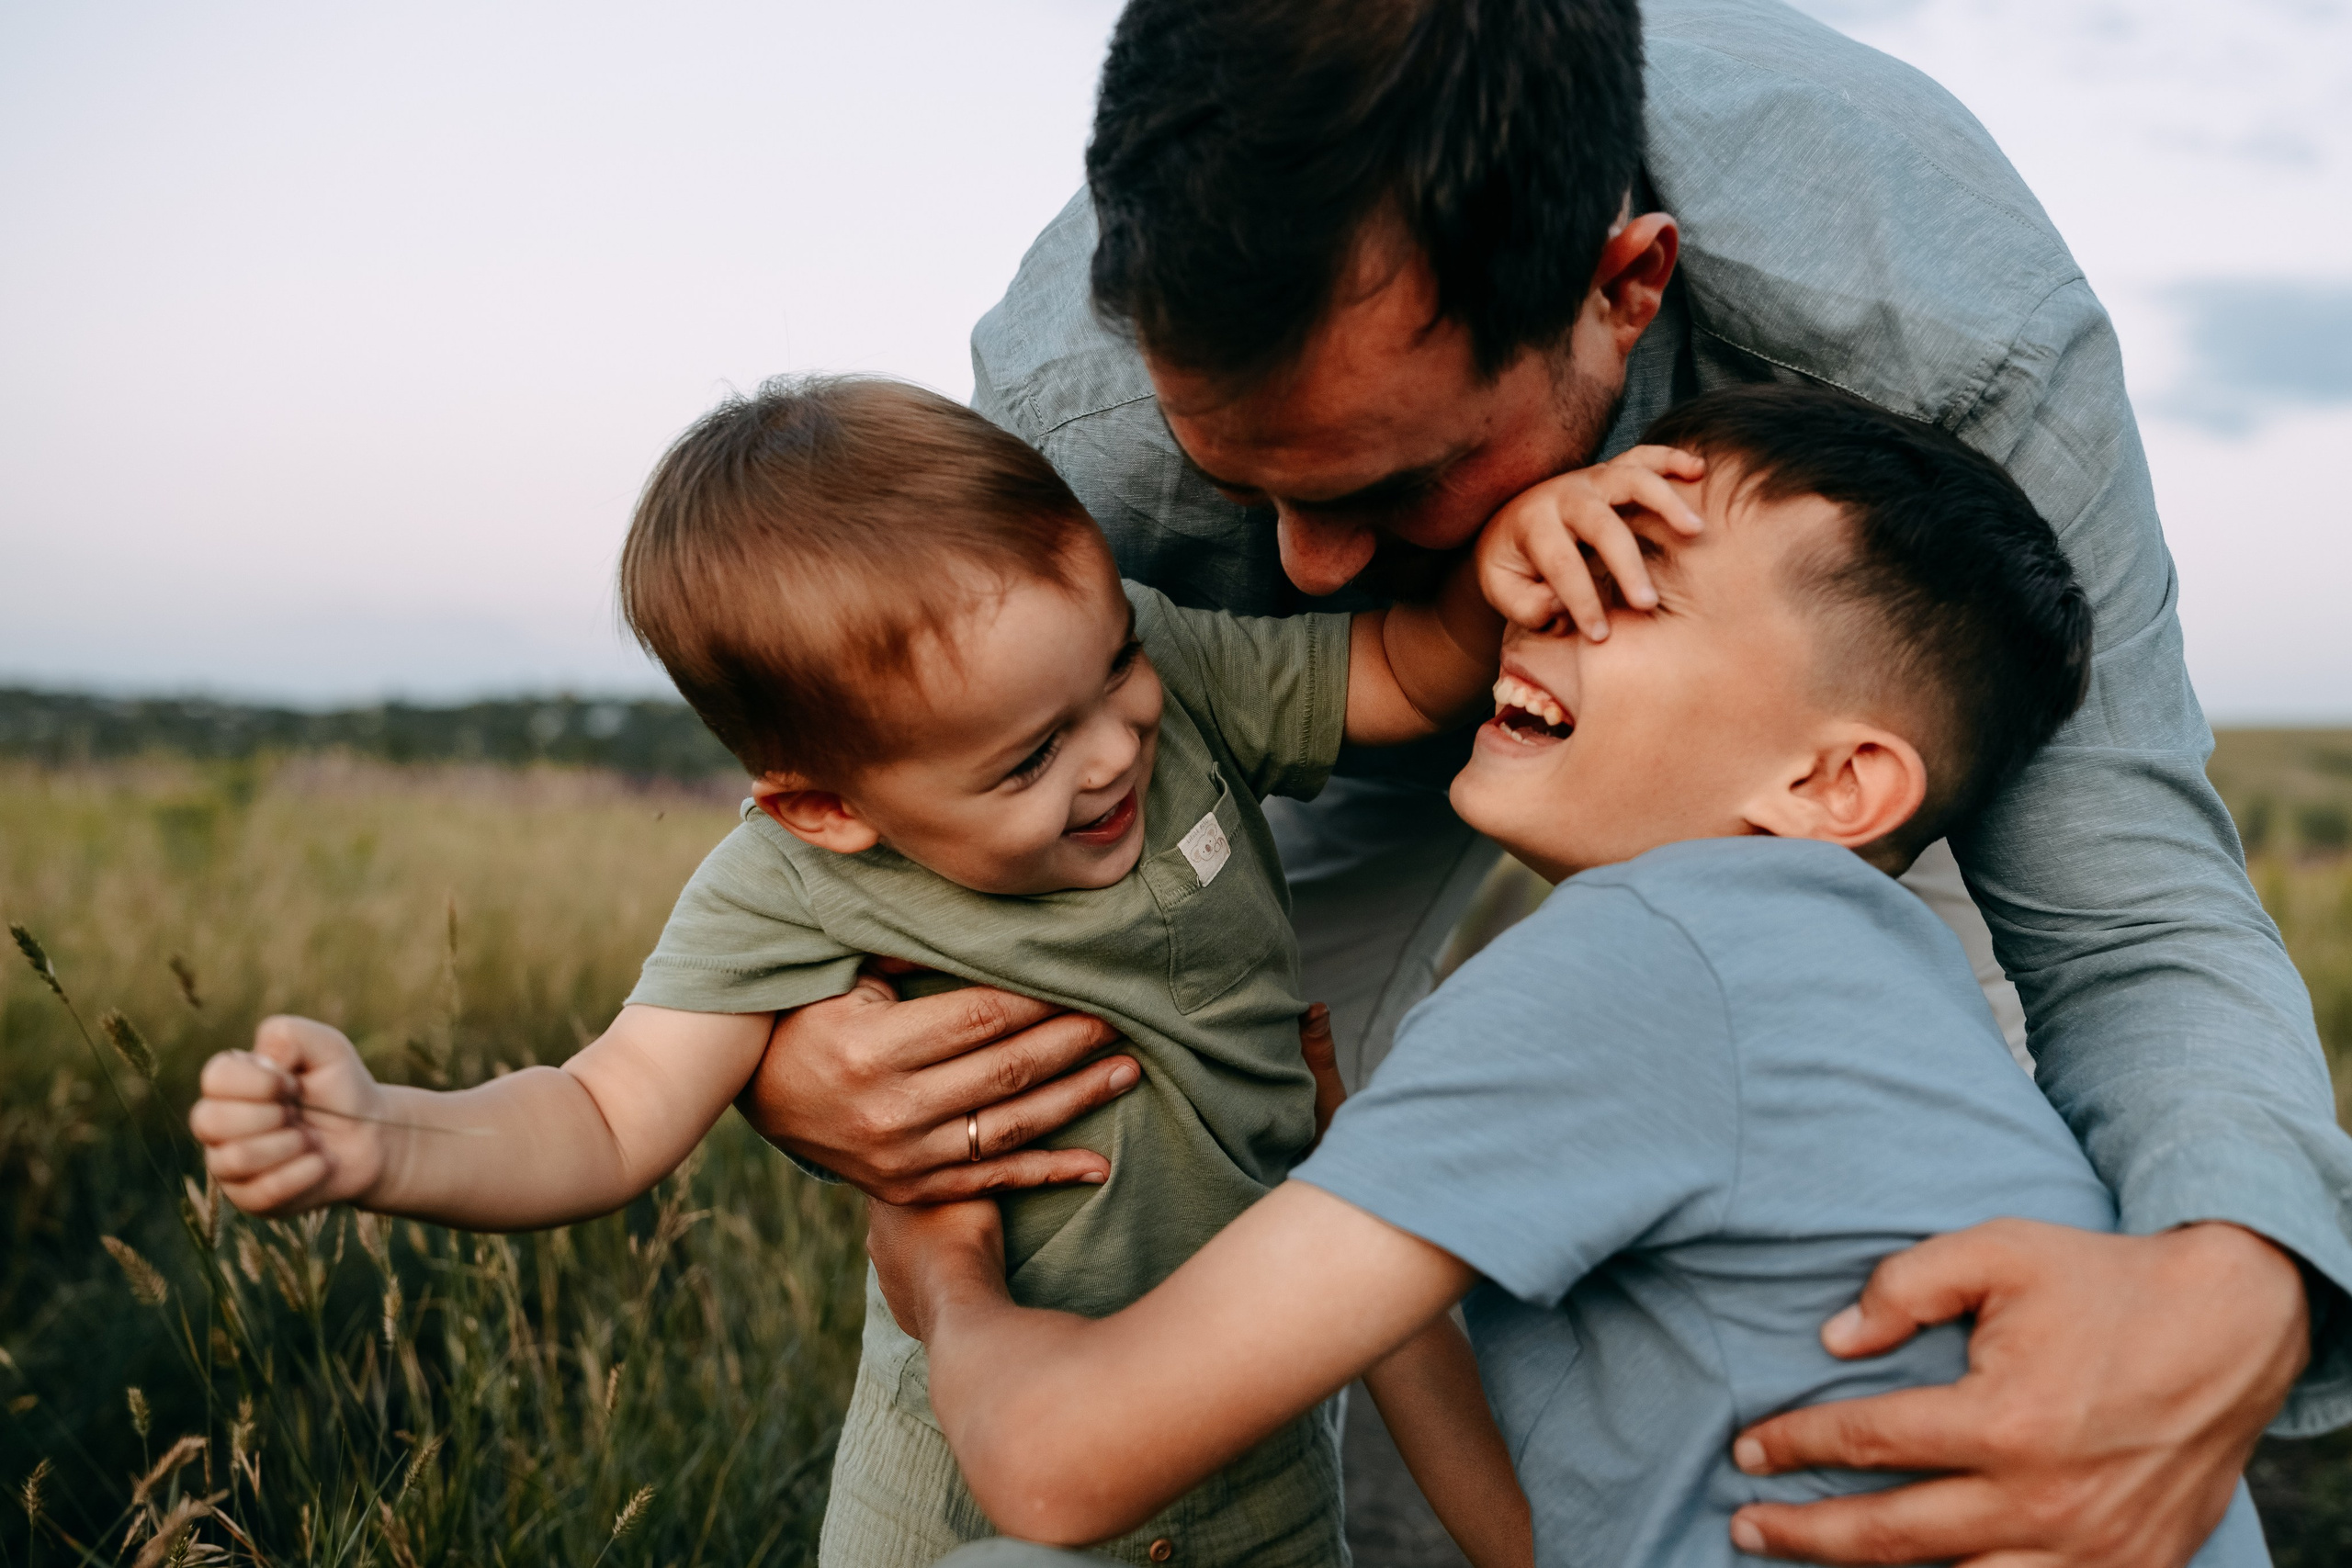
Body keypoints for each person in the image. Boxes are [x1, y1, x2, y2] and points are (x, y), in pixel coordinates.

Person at [735, 2, 2352, 1561]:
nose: (1316, 559)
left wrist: (2236, 1283)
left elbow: (2130, 923)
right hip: (1271, 698)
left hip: (1785, 707)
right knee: (1069, 1125)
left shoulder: (1952, 339)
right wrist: (782, 1041)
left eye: (1398, 477)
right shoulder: (1088, 413)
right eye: (1252, 483)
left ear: (1622, 288)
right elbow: (918, 789)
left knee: (1915, 1184)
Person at [184, 375, 1651, 1567]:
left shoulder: (1161, 680)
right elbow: (602, 1116)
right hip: (959, 1481)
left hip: (1248, 1435)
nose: (1113, 749)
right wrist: (386, 1138)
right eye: (1027, 758)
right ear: (828, 806)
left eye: (1116, 666)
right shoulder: (786, 887)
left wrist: (1508, 571)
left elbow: (1395, 670)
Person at [860, 384, 2281, 1568]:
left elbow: (1058, 1466)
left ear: (1833, 784)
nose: (1544, 604)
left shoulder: (1654, 952)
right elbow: (1554, 1542)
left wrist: (947, 1280)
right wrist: (1362, 1168)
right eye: (1573, 561)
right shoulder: (1879, 994)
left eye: (1633, 589)